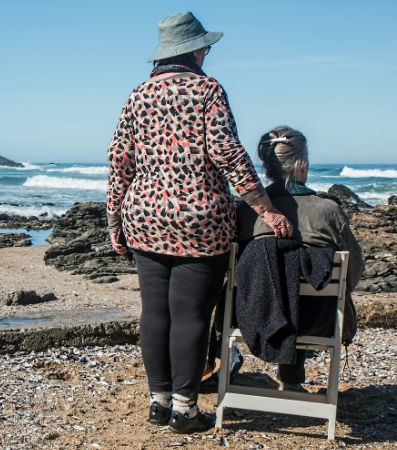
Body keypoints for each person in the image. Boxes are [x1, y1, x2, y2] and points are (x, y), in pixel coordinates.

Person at [106, 12, 294, 433]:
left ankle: (158, 402)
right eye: (205, 47)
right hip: (200, 219)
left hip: (145, 215)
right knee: (190, 314)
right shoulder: (207, 90)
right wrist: (266, 208)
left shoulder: (138, 95)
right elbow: (227, 152)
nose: (207, 52)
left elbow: (119, 161)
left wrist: (114, 220)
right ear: (193, 50)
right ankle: (184, 410)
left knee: (154, 312)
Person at [236, 125, 364, 391]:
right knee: (304, 289)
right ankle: (291, 380)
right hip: (319, 319)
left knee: (275, 279)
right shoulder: (328, 211)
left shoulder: (247, 212)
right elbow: (353, 272)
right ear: (302, 165)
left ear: (267, 167)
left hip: (250, 316)